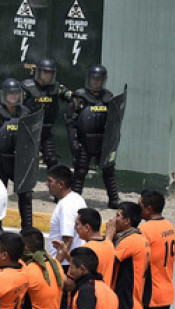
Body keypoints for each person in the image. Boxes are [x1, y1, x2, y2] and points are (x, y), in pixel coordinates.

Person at [0, 78, 33, 232]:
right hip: (0, 160)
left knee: (25, 194)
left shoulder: (25, 112)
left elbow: (32, 137)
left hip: (20, 161)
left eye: (16, 94)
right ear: (4, 95)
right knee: (0, 195)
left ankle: (28, 228)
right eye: (10, 94)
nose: (13, 97)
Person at [65, 64, 120, 207]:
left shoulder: (108, 97)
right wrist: (73, 141)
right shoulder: (79, 97)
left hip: (103, 142)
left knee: (108, 171)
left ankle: (114, 199)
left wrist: (113, 142)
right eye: (94, 79)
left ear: (103, 80)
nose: (96, 82)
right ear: (89, 79)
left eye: (99, 80)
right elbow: (70, 121)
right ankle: (74, 201)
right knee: (80, 171)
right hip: (84, 141)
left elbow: (115, 121)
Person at [45, 164, 86, 309]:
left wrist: (55, 265)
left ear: (61, 184)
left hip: (64, 265)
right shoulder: (75, 198)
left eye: (50, 181)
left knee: (63, 308)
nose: (47, 185)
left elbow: (67, 239)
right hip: (71, 262)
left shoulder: (66, 205)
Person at [21, 58, 72, 168]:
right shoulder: (27, 87)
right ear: (39, 72)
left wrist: (77, 99)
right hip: (29, 131)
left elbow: (69, 95)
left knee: (52, 160)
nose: (47, 76)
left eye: (50, 73)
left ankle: (51, 183)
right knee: (25, 162)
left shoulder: (55, 88)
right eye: (45, 72)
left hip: (45, 131)